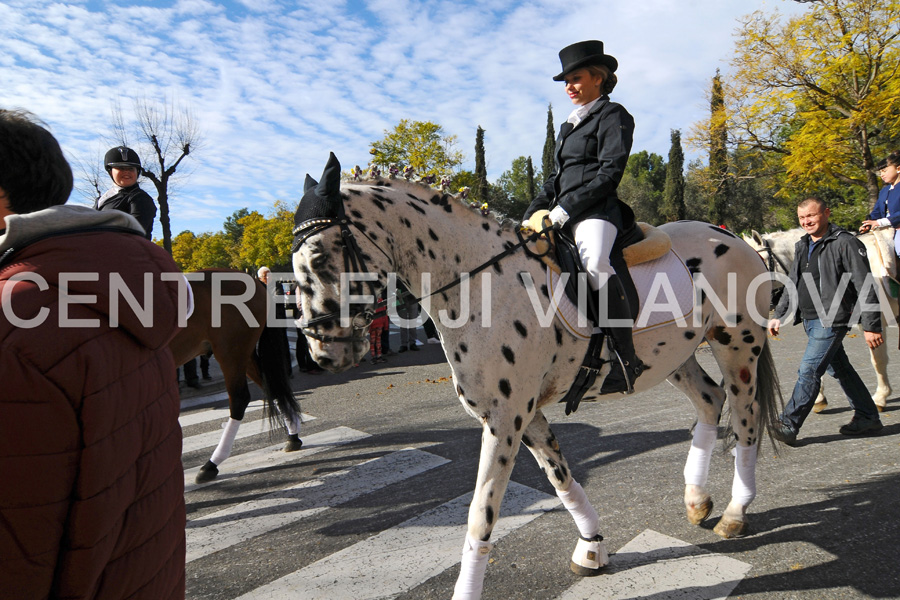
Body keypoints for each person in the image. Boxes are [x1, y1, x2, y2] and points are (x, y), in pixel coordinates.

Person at [0, 109, 185, 598]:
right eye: (119, 170)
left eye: (130, 170)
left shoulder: (138, 201)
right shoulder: (104, 200)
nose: (125, 174)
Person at [522, 39, 645, 394]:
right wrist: (531, 212)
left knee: (595, 264)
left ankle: (626, 358)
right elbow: (555, 179)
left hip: (596, 212)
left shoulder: (614, 116)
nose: (569, 87)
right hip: (560, 214)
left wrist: (565, 209)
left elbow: (609, 173)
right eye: (565, 82)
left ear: (598, 77)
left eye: (575, 78)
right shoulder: (568, 127)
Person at [768, 197, 885, 445]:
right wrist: (778, 315)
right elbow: (793, 282)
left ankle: (788, 423)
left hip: (833, 318)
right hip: (810, 319)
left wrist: (871, 325)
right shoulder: (803, 245)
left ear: (826, 213)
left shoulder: (845, 243)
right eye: (801, 218)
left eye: (811, 215)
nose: (806, 221)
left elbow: (865, 284)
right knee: (840, 369)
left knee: (809, 370)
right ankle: (867, 416)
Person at [95, 145, 157, 239]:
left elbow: (135, 233)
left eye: (131, 169)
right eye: (121, 168)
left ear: (137, 171)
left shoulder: (140, 198)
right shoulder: (102, 199)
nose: (126, 172)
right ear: (110, 171)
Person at [859, 151, 900, 258]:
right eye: (880, 172)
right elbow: (877, 211)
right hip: (884, 229)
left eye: (884, 171)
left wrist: (880, 222)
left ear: (898, 169)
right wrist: (868, 223)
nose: (881, 175)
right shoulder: (884, 191)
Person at [258, 266, 292, 376]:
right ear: (260, 278)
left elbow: (279, 299)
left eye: (268, 275)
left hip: (278, 319)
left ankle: (287, 370)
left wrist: (265, 300)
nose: (267, 277)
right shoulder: (259, 287)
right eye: (264, 276)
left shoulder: (277, 285)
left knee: (282, 345)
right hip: (266, 322)